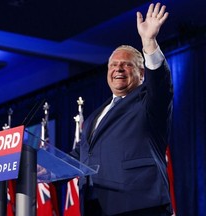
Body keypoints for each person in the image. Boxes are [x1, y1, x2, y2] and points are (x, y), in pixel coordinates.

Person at [70, 2, 174, 216]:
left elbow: (161, 83)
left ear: (142, 73)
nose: (118, 68)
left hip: (138, 203)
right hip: (95, 205)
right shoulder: (93, 117)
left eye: (126, 64)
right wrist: (44, 165)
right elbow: (79, 154)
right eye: (113, 64)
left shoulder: (149, 101)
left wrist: (149, 42)